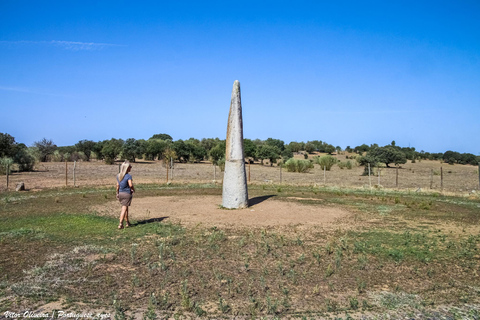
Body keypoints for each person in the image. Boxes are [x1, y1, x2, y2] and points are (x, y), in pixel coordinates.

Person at [116, 161, 135, 229]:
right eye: (130, 167)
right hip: (127, 194)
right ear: (127, 168)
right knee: (124, 208)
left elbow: (117, 185)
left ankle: (127, 222)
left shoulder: (118, 176)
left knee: (126, 207)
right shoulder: (128, 176)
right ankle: (120, 223)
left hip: (120, 193)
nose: (131, 168)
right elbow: (130, 185)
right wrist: (133, 189)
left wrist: (117, 193)